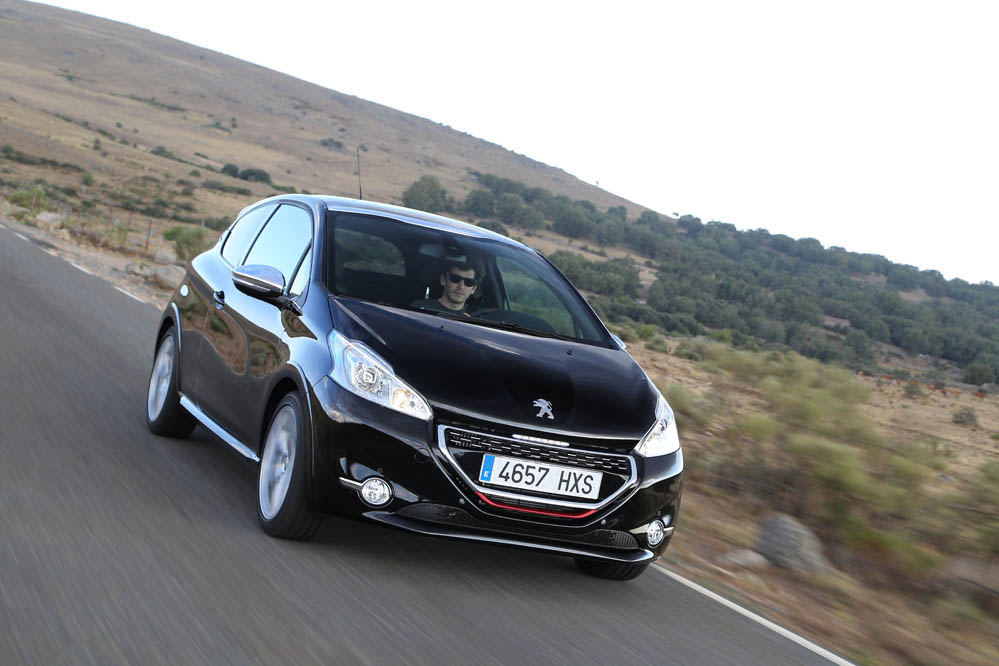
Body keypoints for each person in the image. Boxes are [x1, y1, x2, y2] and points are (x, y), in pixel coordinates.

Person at [411, 259, 482, 314]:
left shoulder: (476, 318)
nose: (461, 286)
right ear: (443, 280)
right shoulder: (420, 308)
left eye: (468, 282)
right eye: (455, 279)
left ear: (473, 289)